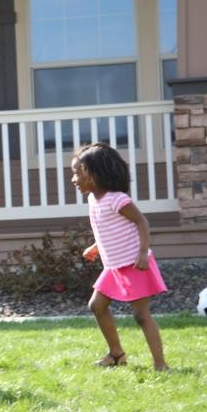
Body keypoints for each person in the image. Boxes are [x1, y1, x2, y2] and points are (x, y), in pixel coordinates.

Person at [71, 142, 169, 371]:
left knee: (141, 315)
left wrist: (143, 253)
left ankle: (160, 364)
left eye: (78, 173)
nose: (74, 179)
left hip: (134, 263)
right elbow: (109, 228)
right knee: (97, 306)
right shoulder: (93, 200)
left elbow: (141, 222)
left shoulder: (118, 200)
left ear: (95, 174)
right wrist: (96, 246)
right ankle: (116, 354)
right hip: (114, 266)